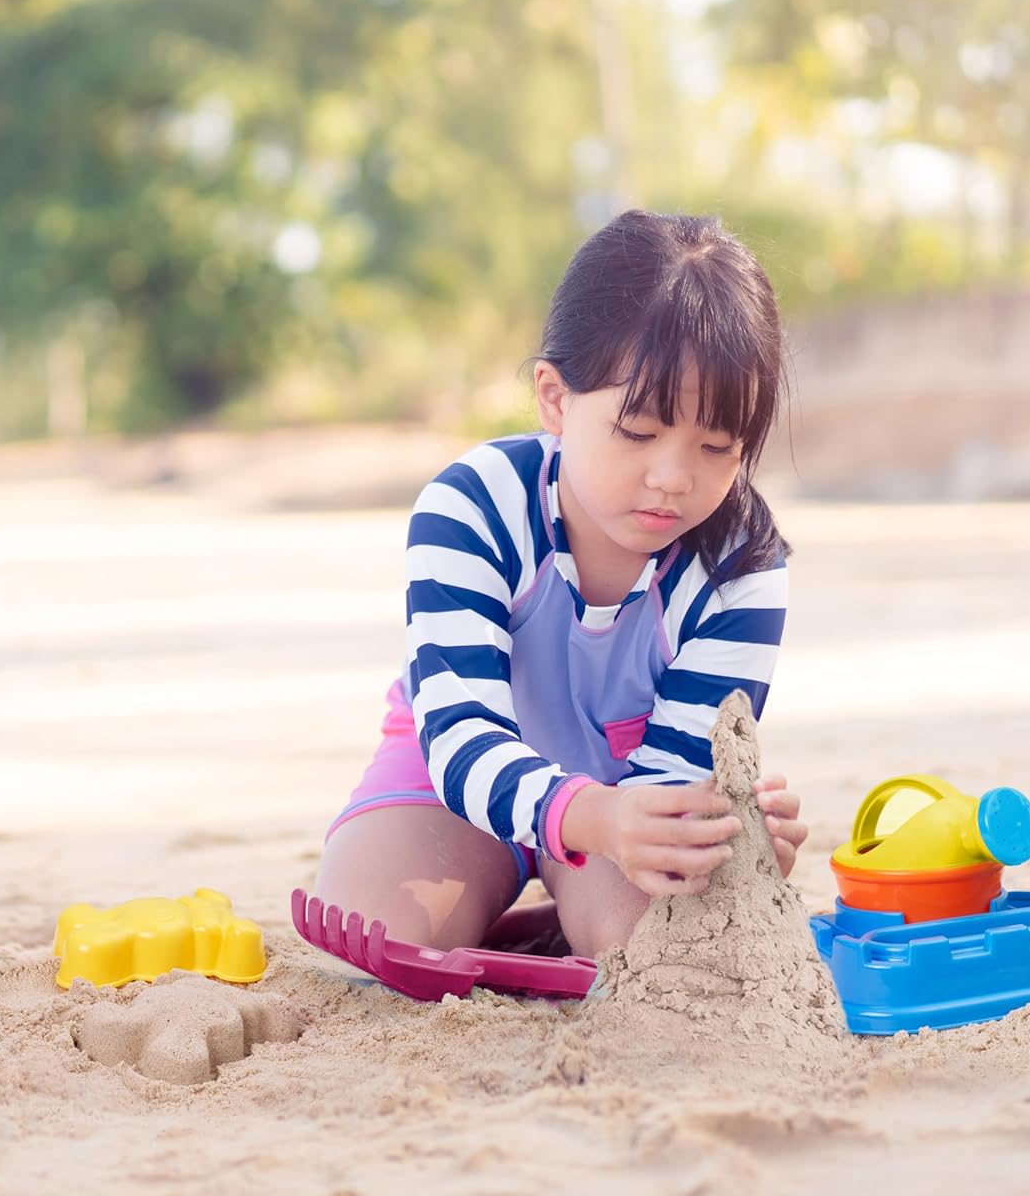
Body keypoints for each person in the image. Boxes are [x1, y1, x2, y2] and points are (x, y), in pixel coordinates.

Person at [312, 209, 806, 959]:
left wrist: (723, 841)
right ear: (554, 397)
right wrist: (586, 815)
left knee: (650, 951)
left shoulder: (742, 564)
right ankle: (519, 897)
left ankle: (559, 912)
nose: (672, 478)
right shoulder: (473, 507)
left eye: (716, 446)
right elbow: (459, 737)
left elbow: (674, 774)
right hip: (463, 781)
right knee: (378, 934)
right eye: (637, 432)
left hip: (632, 799)